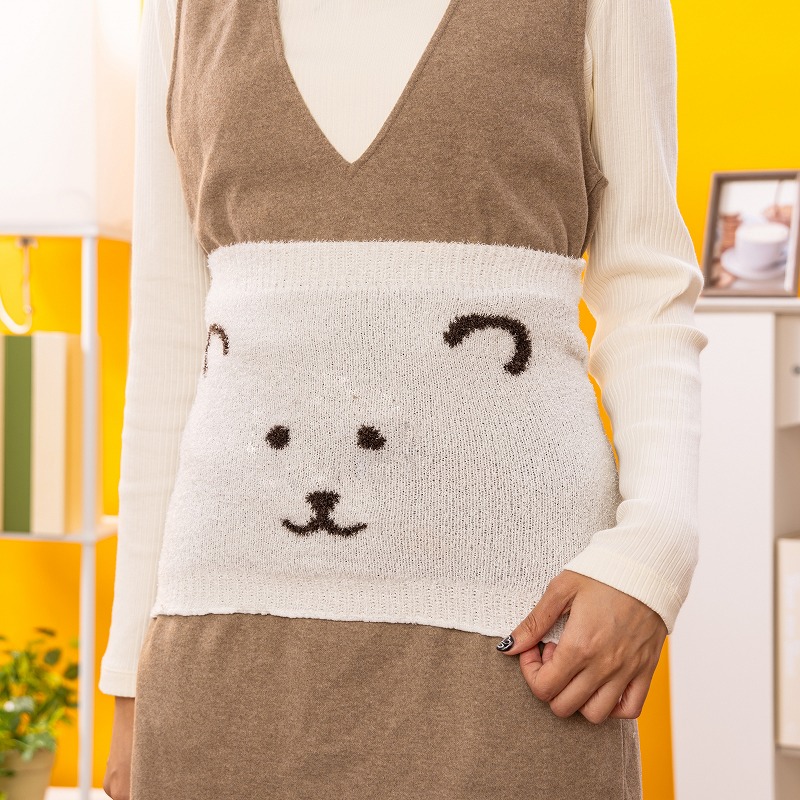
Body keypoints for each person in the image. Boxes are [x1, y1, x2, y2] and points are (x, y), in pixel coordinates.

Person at [101, 0, 707, 798]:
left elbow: (648, 291)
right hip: (222, 638)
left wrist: (656, 552)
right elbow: (169, 339)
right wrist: (129, 678)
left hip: (514, 632)